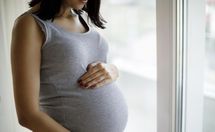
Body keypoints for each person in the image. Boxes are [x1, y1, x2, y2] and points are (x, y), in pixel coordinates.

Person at [10, 0, 128, 131]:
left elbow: (90, 62)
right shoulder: (30, 24)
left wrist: (113, 70)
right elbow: (28, 115)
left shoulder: (81, 17)